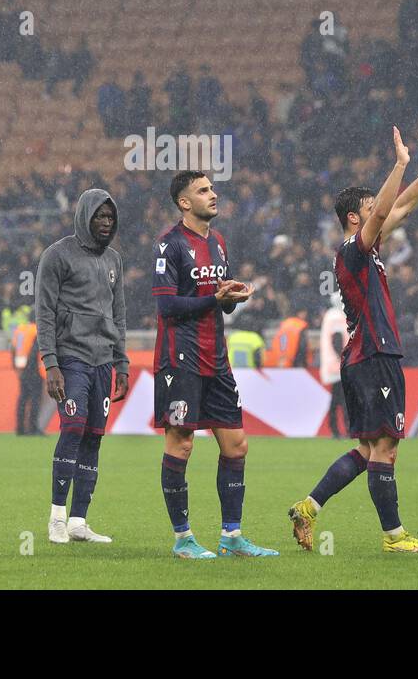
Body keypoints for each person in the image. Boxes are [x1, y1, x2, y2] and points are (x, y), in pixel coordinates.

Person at [289, 126, 418, 555]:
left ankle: (308, 506)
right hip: (375, 354)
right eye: (372, 206)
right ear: (355, 218)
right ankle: (394, 537)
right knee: (386, 447)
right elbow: (382, 214)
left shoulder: (365, 249)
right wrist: (399, 164)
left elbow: (403, 208)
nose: (381, 209)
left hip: (362, 355)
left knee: (367, 447)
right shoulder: (353, 249)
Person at [152, 171, 277, 559]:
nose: (213, 194)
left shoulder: (219, 243)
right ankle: (183, 539)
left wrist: (230, 297)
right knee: (182, 444)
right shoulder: (168, 245)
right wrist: (214, 299)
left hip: (216, 359)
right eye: (203, 190)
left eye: (212, 188)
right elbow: (167, 305)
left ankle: (232, 536)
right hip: (181, 359)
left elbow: (213, 298)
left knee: (236, 446)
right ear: (184, 202)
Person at [35, 188, 129, 545]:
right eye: (99, 216)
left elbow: (118, 314)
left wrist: (122, 362)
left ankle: (78, 521)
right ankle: (56, 517)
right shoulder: (57, 256)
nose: (106, 223)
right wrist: (51, 363)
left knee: (93, 437)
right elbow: (44, 312)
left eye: (110, 217)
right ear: (84, 217)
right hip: (71, 358)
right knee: (72, 430)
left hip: (104, 361)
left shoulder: (114, 261)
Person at [319, 293, 347, 438]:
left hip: (334, 363)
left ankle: (335, 428)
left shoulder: (331, 315)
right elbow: (337, 340)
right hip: (339, 365)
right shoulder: (337, 317)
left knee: (336, 398)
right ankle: (344, 429)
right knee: (343, 398)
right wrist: (343, 358)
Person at [12, 319, 43, 434]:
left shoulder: (20, 330)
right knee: (35, 398)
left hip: (21, 368)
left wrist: (16, 367)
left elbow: (13, 349)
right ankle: (32, 428)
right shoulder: (36, 331)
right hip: (33, 369)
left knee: (23, 398)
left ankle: (20, 428)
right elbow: (34, 351)